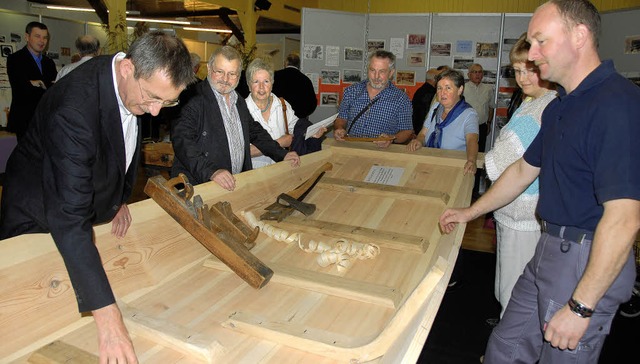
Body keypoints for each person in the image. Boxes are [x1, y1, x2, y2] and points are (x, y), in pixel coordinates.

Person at [439, 1, 640, 362]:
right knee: (504, 348)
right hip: (548, 246)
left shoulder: (617, 103)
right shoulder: (561, 105)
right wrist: (470, 212)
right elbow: (521, 171)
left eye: (540, 42)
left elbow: (625, 218)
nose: (532, 55)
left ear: (579, 36)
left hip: (584, 256)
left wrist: (581, 307)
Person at [0, 31, 195, 363]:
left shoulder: (132, 85)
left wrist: (117, 199)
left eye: (167, 101)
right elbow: (69, 217)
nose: (155, 111)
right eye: (151, 97)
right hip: (36, 214)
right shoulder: (74, 108)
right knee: (30, 323)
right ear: (127, 69)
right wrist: (110, 321)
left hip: (70, 201)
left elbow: (122, 150)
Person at [483, 32, 556, 319]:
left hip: (523, 214)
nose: (523, 78)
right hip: (512, 210)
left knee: (514, 293)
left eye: (530, 70)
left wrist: (481, 159)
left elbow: (499, 162)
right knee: (508, 286)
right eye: (517, 71)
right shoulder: (531, 101)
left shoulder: (542, 107)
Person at [170, 46, 300, 191]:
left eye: (232, 74)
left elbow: (255, 132)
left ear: (239, 75)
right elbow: (183, 142)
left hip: (233, 184)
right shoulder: (191, 98)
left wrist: (282, 154)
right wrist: (211, 172)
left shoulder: (237, 99)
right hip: (198, 185)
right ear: (209, 68)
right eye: (220, 72)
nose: (225, 80)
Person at [245, 58, 325, 168]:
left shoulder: (282, 105)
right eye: (256, 82)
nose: (261, 87)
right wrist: (280, 143)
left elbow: (297, 129)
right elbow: (241, 153)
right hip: (253, 174)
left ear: (272, 84)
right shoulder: (241, 111)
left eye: (266, 81)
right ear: (249, 85)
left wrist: (311, 134)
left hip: (281, 170)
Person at [333, 50, 413, 148]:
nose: (376, 76)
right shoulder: (352, 91)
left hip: (381, 152)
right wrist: (340, 129)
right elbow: (341, 118)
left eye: (382, 71)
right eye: (372, 70)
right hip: (351, 147)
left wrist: (391, 138)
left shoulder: (401, 99)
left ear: (391, 73)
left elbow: (407, 130)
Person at [407, 69, 479, 176]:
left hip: (454, 169)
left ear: (460, 90)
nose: (442, 93)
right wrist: (418, 141)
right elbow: (423, 134)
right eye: (439, 88)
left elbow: (472, 141)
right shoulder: (436, 107)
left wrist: (471, 161)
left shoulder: (469, 114)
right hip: (429, 164)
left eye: (448, 88)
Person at [6, 21, 57, 141]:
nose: (42, 41)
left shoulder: (49, 63)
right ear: (27, 37)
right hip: (25, 119)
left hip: (46, 120)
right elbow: (21, 88)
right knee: (27, 158)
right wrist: (42, 85)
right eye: (37, 36)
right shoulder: (15, 59)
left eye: (45, 37)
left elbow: (55, 88)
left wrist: (37, 83)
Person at [272, 52, 318, 118]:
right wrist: (302, 114)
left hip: (278, 117)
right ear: (298, 65)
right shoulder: (305, 80)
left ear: (286, 63)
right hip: (298, 119)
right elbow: (312, 103)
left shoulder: (275, 76)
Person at [465, 63, 495, 153]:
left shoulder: (488, 89)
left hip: (482, 126)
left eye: (480, 72)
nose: (477, 74)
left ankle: (478, 168)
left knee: (480, 151)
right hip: (466, 127)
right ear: (469, 74)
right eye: (474, 72)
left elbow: (491, 107)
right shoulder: (463, 88)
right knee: (466, 151)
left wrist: (489, 123)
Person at [411, 68, 439, 134]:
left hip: (417, 126)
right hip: (424, 129)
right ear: (435, 78)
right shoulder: (431, 93)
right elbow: (428, 113)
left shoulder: (421, 90)